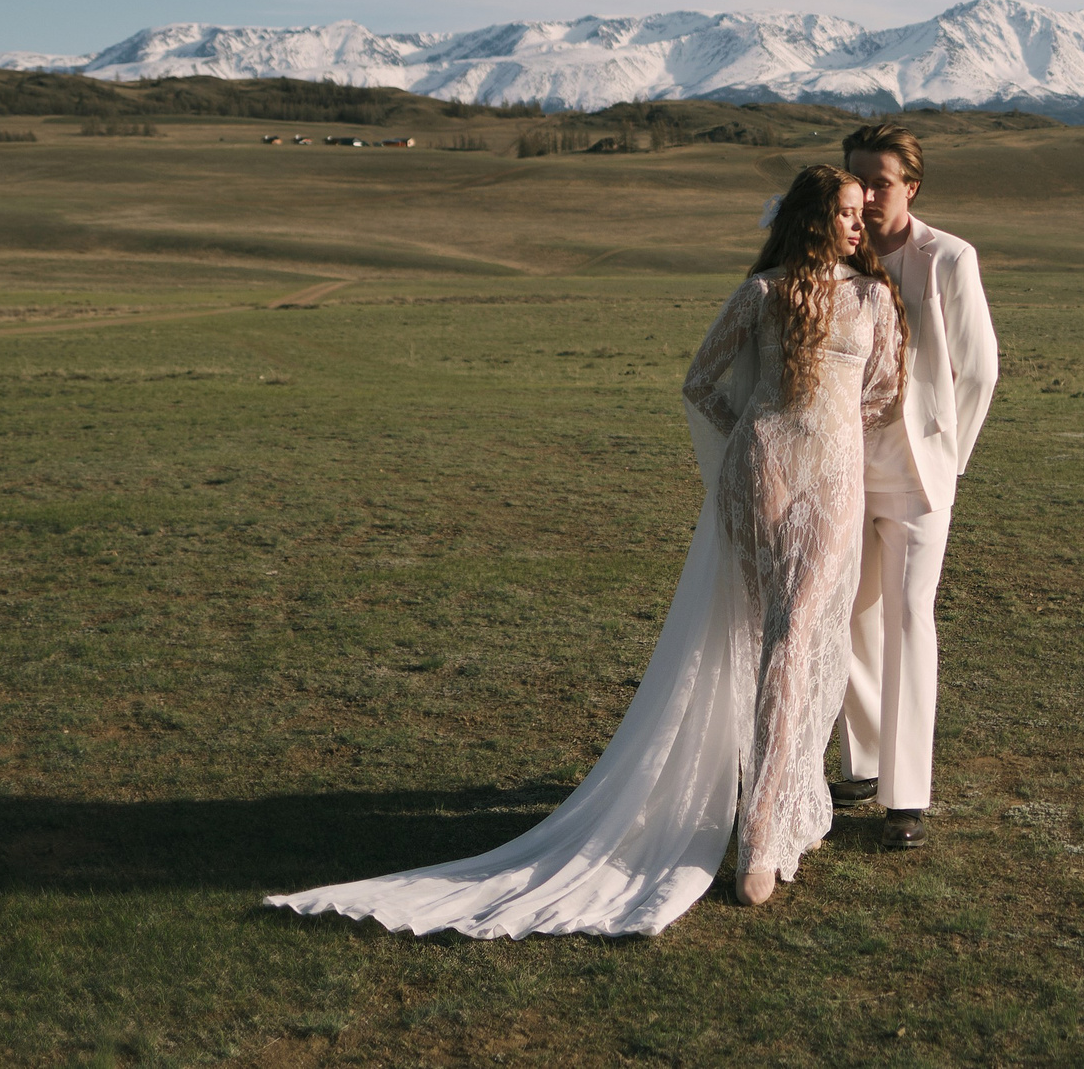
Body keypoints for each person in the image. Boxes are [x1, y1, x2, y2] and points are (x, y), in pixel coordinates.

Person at [264, 164, 904, 935]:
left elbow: (885, 392)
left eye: (860, 213)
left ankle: (766, 814)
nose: (857, 224)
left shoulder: (875, 298)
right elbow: (701, 382)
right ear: (812, 218)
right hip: (764, 468)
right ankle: (755, 825)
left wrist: (828, 432)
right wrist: (759, 429)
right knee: (769, 633)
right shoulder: (762, 294)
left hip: (833, 475)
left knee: (795, 631)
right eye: (843, 212)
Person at [829, 123, 999, 850]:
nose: (867, 197)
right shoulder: (840, 252)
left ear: (913, 188)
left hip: (920, 473)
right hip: (841, 466)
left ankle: (907, 796)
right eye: (857, 181)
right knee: (849, 613)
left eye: (883, 183)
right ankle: (862, 762)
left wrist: (948, 457)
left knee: (906, 616)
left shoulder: (949, 258)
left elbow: (980, 368)